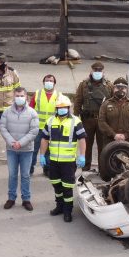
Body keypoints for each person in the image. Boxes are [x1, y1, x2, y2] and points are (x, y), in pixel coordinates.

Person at [38, 94, 86, 223]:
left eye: (64, 107)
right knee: (56, 184)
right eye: (59, 107)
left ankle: (67, 211)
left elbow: (82, 139)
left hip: (68, 162)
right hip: (53, 161)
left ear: (68, 107)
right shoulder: (50, 121)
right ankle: (59, 206)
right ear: (56, 109)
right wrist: (42, 155)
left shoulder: (76, 121)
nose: (62, 109)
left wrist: (82, 156)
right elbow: (44, 139)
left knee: (67, 186)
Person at [0, 86, 37, 211]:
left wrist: (21, 143)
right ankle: (11, 198)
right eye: (17, 95)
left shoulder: (32, 112)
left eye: (22, 95)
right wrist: (11, 142)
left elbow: (34, 131)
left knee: (25, 175)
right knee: (12, 174)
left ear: (26, 97)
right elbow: (3, 127)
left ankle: (26, 199)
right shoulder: (7, 111)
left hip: (27, 150)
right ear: (14, 97)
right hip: (11, 150)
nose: (19, 98)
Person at [73, 61, 112, 171]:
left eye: (100, 70)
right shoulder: (84, 85)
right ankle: (85, 165)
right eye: (95, 70)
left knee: (102, 145)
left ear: (103, 72)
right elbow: (78, 101)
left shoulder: (109, 85)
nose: (97, 72)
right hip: (87, 119)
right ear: (91, 71)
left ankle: (102, 167)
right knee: (86, 144)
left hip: (102, 121)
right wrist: (75, 119)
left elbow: (112, 103)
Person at [97, 76, 129, 165]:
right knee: (107, 165)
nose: (120, 90)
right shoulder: (106, 104)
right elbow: (101, 122)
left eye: (123, 88)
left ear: (126, 90)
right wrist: (114, 135)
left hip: (128, 141)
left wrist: (126, 135)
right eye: (118, 87)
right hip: (109, 141)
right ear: (113, 89)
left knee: (128, 165)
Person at [29, 74, 59, 175]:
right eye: (47, 80)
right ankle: (30, 169)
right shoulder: (37, 94)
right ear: (43, 82)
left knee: (49, 151)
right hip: (37, 128)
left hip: (52, 129)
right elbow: (30, 109)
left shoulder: (59, 96)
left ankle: (47, 169)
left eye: (51, 81)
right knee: (33, 150)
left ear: (54, 83)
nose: (49, 82)